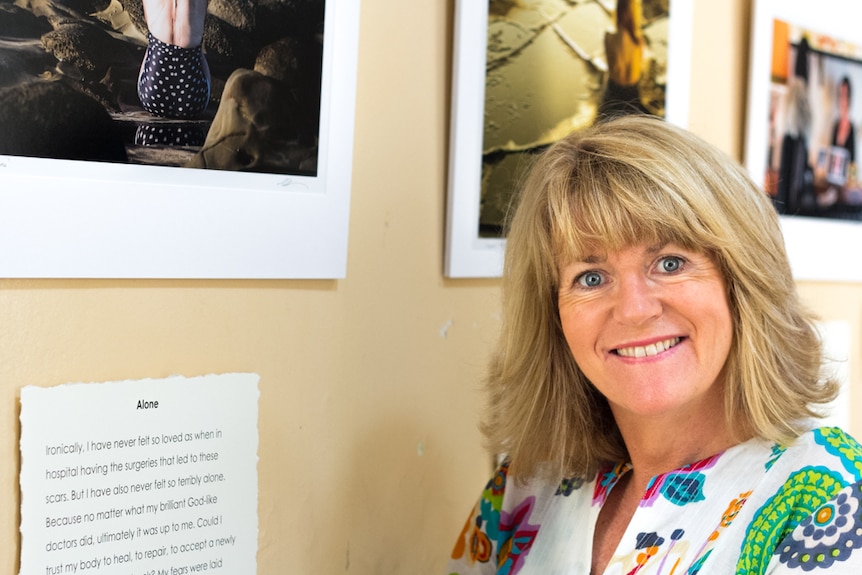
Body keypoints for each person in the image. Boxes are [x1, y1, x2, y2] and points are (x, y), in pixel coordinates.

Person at [447, 115, 862, 575]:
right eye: (590, 277)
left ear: (742, 282)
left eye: (669, 263)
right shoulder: (524, 486)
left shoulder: (827, 496)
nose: (634, 309)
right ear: (555, 316)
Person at [137, 0, 211, 119]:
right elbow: (200, 56)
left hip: (152, 94)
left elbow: (149, 50)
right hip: (193, 99)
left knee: (154, 45)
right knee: (196, 52)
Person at [831, 76, 856, 164]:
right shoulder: (835, 125)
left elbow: (853, 160)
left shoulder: (851, 127)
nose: (842, 100)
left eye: (845, 95)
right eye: (841, 95)